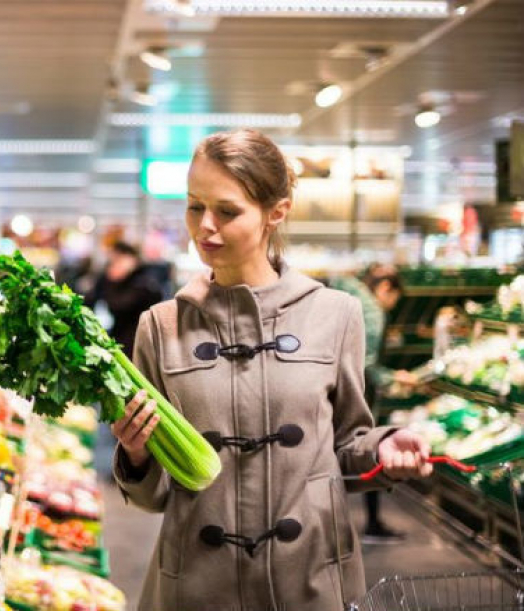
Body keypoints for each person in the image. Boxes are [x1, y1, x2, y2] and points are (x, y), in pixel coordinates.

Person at [109, 129, 433, 611]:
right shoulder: (160, 327)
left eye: (227, 210)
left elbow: (344, 446)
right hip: (196, 585)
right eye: (195, 206)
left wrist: (384, 446)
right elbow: (156, 494)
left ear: (275, 213)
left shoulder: (336, 315)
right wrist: (135, 455)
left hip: (308, 580)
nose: (205, 227)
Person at [330, 270, 418, 543]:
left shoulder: (341, 292)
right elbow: (365, 366)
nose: (392, 305)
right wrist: (395, 377)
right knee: (367, 450)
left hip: (327, 392)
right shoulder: (371, 311)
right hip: (353, 396)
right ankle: (371, 525)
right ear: (386, 288)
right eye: (395, 298)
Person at [86, 241, 162, 357]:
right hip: (118, 338)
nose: (114, 264)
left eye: (119, 259)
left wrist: (113, 281)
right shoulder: (110, 278)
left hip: (140, 342)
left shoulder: (145, 281)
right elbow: (90, 300)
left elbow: (121, 305)